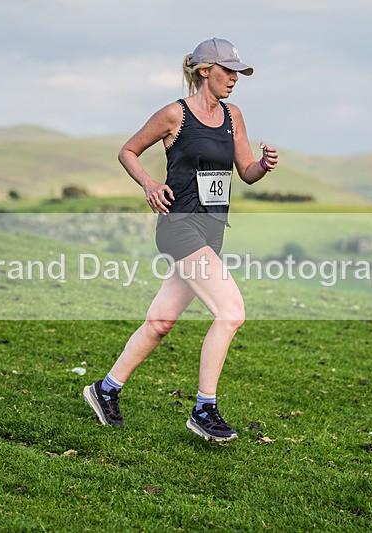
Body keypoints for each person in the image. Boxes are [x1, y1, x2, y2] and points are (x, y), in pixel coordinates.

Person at [83, 38, 278, 442]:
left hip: (212, 230)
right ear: (205, 70)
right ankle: (204, 408)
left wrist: (263, 165)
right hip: (178, 226)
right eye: (228, 71)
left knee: (160, 323)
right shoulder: (176, 114)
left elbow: (245, 171)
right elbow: (128, 151)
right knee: (231, 312)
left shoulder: (233, 115)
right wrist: (150, 184)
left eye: (238, 73)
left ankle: (105, 390)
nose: (234, 79)